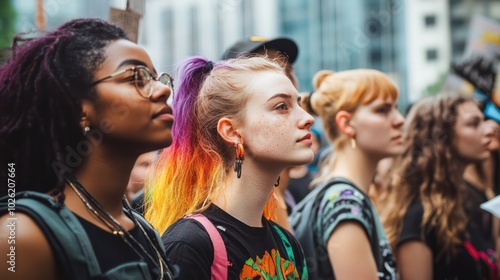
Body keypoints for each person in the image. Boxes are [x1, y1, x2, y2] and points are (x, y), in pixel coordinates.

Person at [0, 18, 175, 279]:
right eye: (136, 77)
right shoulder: (22, 236)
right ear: (80, 109)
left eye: (157, 77)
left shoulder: (145, 232)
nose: (162, 89)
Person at [144, 56, 313, 279]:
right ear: (232, 132)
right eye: (281, 106)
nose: (307, 118)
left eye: (299, 104)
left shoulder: (287, 243)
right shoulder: (190, 245)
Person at [297, 69, 404, 279]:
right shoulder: (346, 204)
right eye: (383, 110)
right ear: (346, 123)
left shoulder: (347, 197)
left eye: (396, 108)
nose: (399, 120)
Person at [381, 94, 498, 280]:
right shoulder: (418, 219)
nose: (489, 129)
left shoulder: (466, 203)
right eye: (474, 124)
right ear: (442, 138)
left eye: (484, 120)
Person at [221, 36, 300, 230]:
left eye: (287, 71)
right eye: (263, 68)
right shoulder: (228, 208)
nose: (281, 78)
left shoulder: (291, 190)